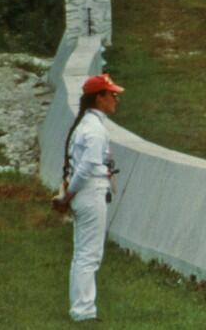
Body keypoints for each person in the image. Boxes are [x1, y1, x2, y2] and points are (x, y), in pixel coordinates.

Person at [52, 73, 124, 322]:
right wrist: (68, 195)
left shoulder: (84, 125)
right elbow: (85, 168)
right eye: (111, 94)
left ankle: (81, 308)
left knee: (82, 253)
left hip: (85, 193)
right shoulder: (94, 129)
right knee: (89, 256)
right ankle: (83, 311)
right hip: (90, 192)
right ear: (99, 98)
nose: (115, 99)